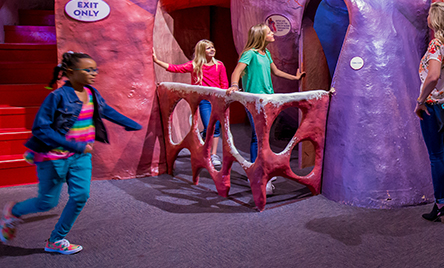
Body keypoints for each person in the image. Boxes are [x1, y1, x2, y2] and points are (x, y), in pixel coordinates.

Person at [1, 52, 141, 254]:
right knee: (46, 203)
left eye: (95, 70)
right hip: (53, 157)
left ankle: (56, 240)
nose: (93, 73)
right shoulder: (57, 97)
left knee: (81, 195)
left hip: (81, 157)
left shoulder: (92, 93)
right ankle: (13, 212)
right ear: (70, 72)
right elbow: (41, 129)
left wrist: (130, 124)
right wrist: (74, 145)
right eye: (88, 70)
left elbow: (106, 110)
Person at [226, 24, 303, 194]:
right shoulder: (250, 53)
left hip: (269, 99)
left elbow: (276, 72)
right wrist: (233, 85)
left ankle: (263, 168)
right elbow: (237, 71)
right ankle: (255, 171)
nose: (272, 33)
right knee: (257, 136)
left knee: (265, 137)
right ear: (261, 36)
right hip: (254, 101)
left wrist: (295, 77)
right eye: (269, 32)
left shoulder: (266, 53)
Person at [414, 2, 444, 223]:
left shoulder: (436, 45)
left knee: (436, 157)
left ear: (435, 20)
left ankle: (441, 205)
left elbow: (433, 76)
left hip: (433, 107)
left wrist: (420, 100)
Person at [153, 40, 229, 170]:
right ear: (201, 51)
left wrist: (224, 98)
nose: (212, 50)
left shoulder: (219, 65)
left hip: (217, 100)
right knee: (208, 125)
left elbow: (224, 83)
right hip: (204, 101)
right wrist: (157, 60)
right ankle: (205, 137)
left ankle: (214, 154)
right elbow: (175, 68)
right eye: (208, 48)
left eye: (212, 47)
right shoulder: (195, 65)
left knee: (215, 127)